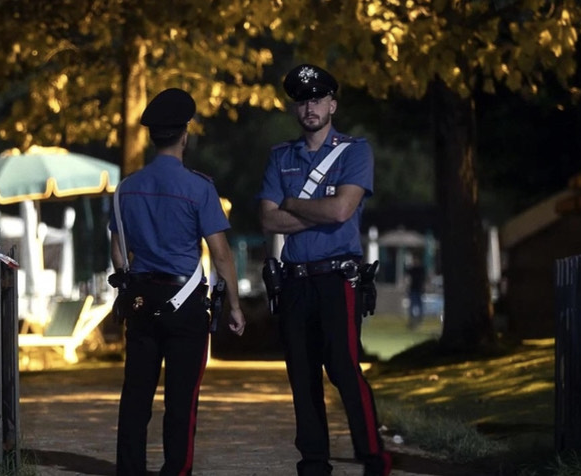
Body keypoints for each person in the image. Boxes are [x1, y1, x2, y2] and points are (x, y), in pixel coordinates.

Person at [257, 64, 391, 476]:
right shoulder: (282, 155)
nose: (310, 107)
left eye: (317, 99)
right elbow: (267, 220)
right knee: (302, 375)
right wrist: (319, 212)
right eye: (302, 101)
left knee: (344, 369)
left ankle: (373, 457)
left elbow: (341, 210)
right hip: (296, 280)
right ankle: (314, 464)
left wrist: (293, 203)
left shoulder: (355, 151)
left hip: (339, 279)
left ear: (333, 104)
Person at [109, 87, 246, 476]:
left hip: (140, 298)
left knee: (136, 394)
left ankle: (130, 469)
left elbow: (118, 250)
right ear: (185, 135)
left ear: (152, 136)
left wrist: (128, 283)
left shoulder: (125, 189)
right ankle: (175, 470)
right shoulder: (199, 188)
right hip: (184, 303)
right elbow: (221, 253)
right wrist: (234, 305)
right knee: (181, 398)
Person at [406, 257, 427, 329]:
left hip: (418, 289)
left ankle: (418, 320)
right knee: (413, 305)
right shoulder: (414, 269)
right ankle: (413, 320)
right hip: (414, 289)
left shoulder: (420, 269)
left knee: (418, 305)